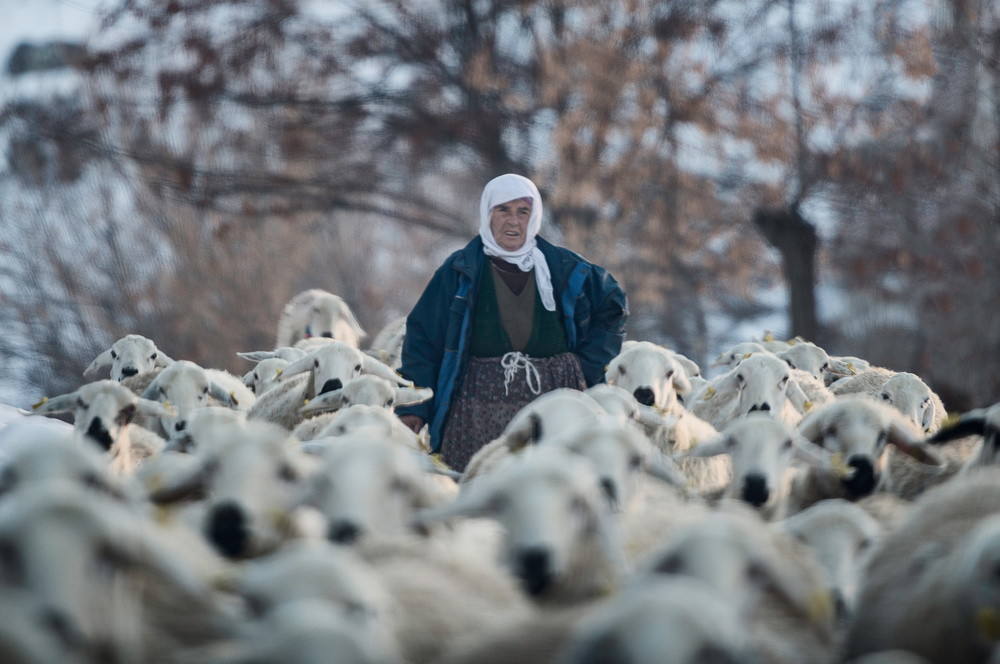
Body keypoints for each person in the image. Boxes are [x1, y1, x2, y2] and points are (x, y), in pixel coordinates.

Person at [396, 174, 628, 472]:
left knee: (555, 485)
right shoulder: (459, 271)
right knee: (479, 485)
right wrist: (415, 406)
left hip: (554, 401)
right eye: (502, 210)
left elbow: (614, 308)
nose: (513, 221)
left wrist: (584, 366)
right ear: (487, 213)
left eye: (523, 211)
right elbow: (423, 338)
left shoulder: (564, 267)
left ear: (534, 217)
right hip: (477, 407)